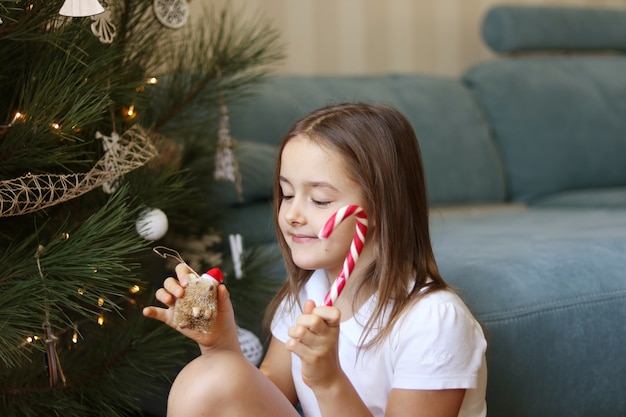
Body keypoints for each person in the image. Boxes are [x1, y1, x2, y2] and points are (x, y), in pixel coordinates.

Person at [143, 102, 487, 417]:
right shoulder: (311, 292)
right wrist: (220, 343)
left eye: (320, 200)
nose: (292, 213)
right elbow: (259, 400)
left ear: (382, 208)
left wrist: (329, 381)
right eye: (287, 194)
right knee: (209, 377)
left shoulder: (432, 320)